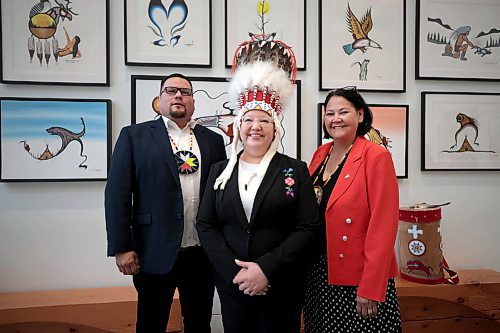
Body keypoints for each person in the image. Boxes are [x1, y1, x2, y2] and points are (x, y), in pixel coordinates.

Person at [196, 35, 319, 333]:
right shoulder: (219, 170)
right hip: (233, 286)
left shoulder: (295, 170)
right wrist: (235, 273)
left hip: (282, 286)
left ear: (275, 128)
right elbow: (206, 225)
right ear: (238, 126)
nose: (256, 127)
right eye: (249, 119)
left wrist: (265, 269)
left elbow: (307, 227)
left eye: (264, 121)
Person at [104, 73, 226, 333]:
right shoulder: (134, 136)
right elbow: (117, 195)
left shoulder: (212, 140)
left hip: (202, 254)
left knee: (199, 323)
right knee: (150, 323)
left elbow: (220, 196)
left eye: (185, 92)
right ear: (159, 100)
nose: (178, 95)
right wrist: (121, 247)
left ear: (193, 102)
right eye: (170, 90)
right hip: (152, 250)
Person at [304, 87, 401, 333]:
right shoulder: (320, 154)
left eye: (343, 112)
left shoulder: (376, 156)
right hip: (318, 272)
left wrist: (371, 286)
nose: (335, 119)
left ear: (360, 115)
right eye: (329, 113)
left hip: (357, 276)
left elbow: (384, 226)